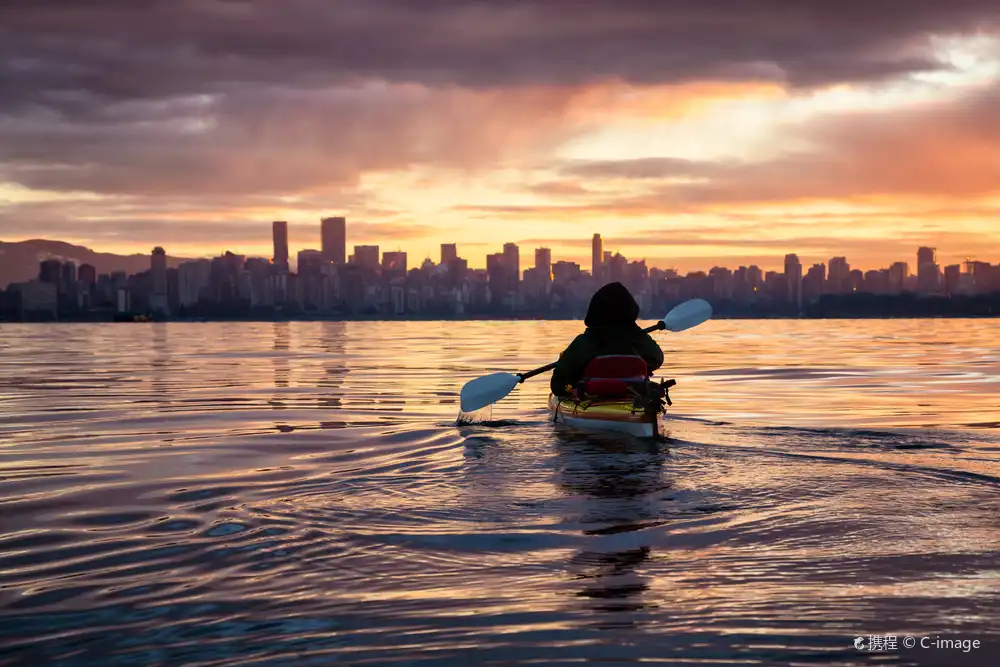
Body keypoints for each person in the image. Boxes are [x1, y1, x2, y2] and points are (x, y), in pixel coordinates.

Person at [550, 281, 664, 397]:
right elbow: (657, 359)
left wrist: (570, 385)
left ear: (594, 311)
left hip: (590, 398)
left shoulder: (583, 343)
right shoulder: (640, 339)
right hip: (634, 397)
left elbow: (557, 384)